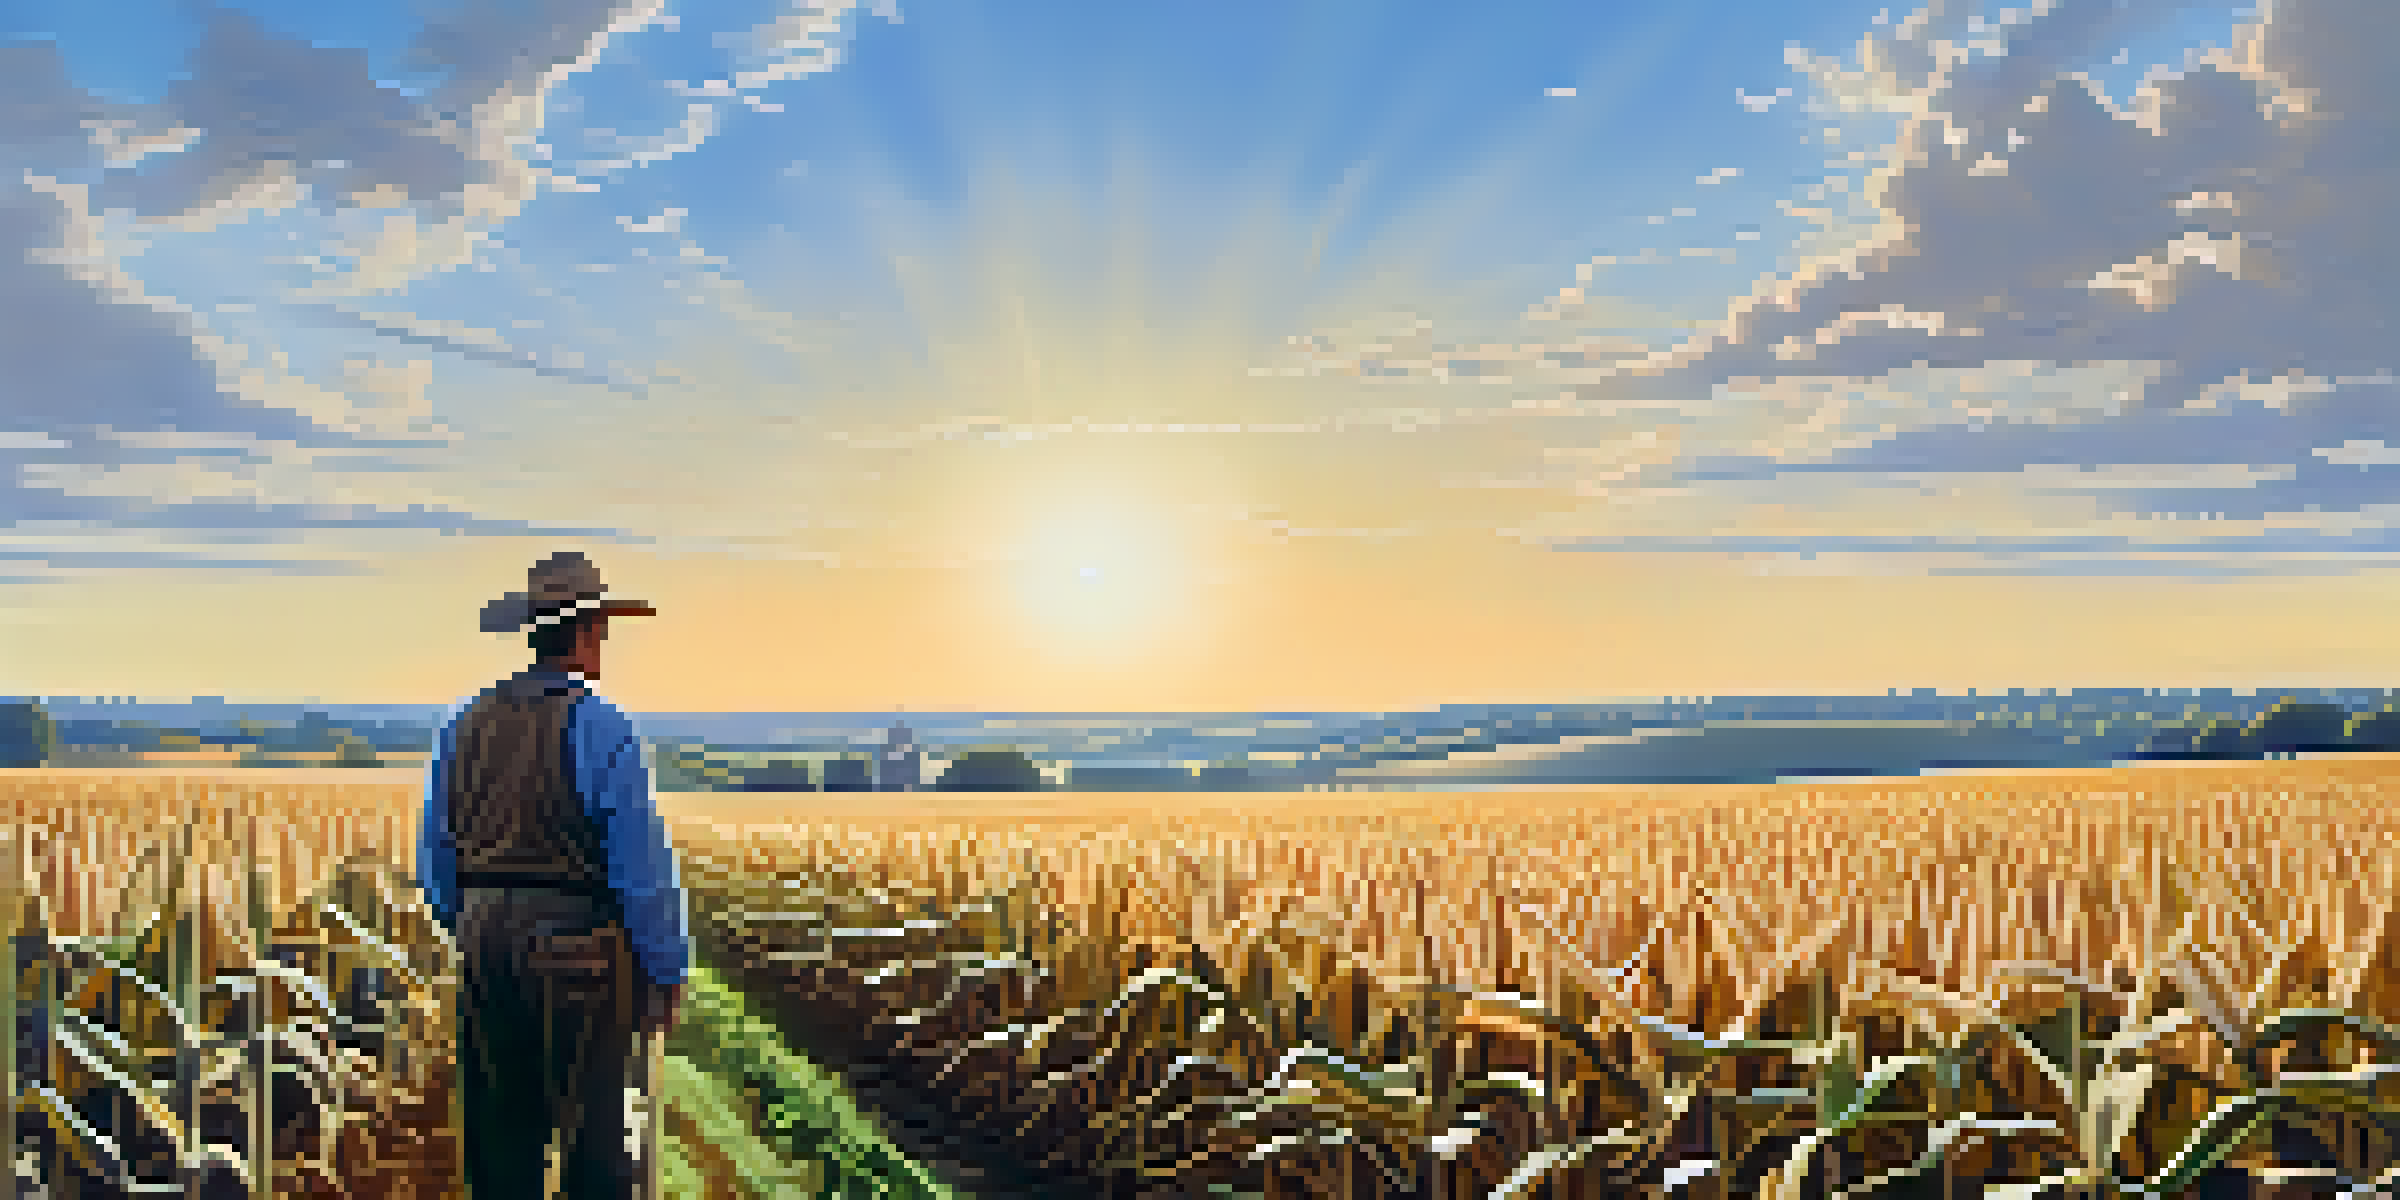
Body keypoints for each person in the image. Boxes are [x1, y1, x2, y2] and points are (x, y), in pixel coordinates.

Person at [416, 550, 692, 1198]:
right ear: (586, 632)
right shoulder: (603, 726)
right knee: (598, 1145)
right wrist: (667, 968)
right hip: (577, 949)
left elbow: (435, 862)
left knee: (500, 1140)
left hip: (482, 941)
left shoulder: (462, 725)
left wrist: (483, 925)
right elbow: (641, 868)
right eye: (601, 627)